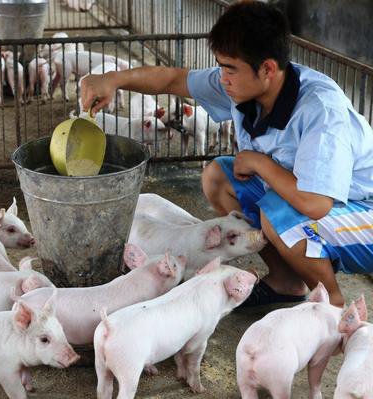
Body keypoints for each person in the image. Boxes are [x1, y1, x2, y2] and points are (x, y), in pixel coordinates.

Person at [80, 0, 373, 307]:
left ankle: (333, 305)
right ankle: (287, 282)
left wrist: (259, 162)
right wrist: (113, 79)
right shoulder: (245, 85)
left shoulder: (321, 111)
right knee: (219, 178)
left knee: (276, 213)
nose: (222, 78)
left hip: (360, 210)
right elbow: (172, 79)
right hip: (317, 202)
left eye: (229, 69)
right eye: (221, 67)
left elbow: (316, 203)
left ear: (268, 69)